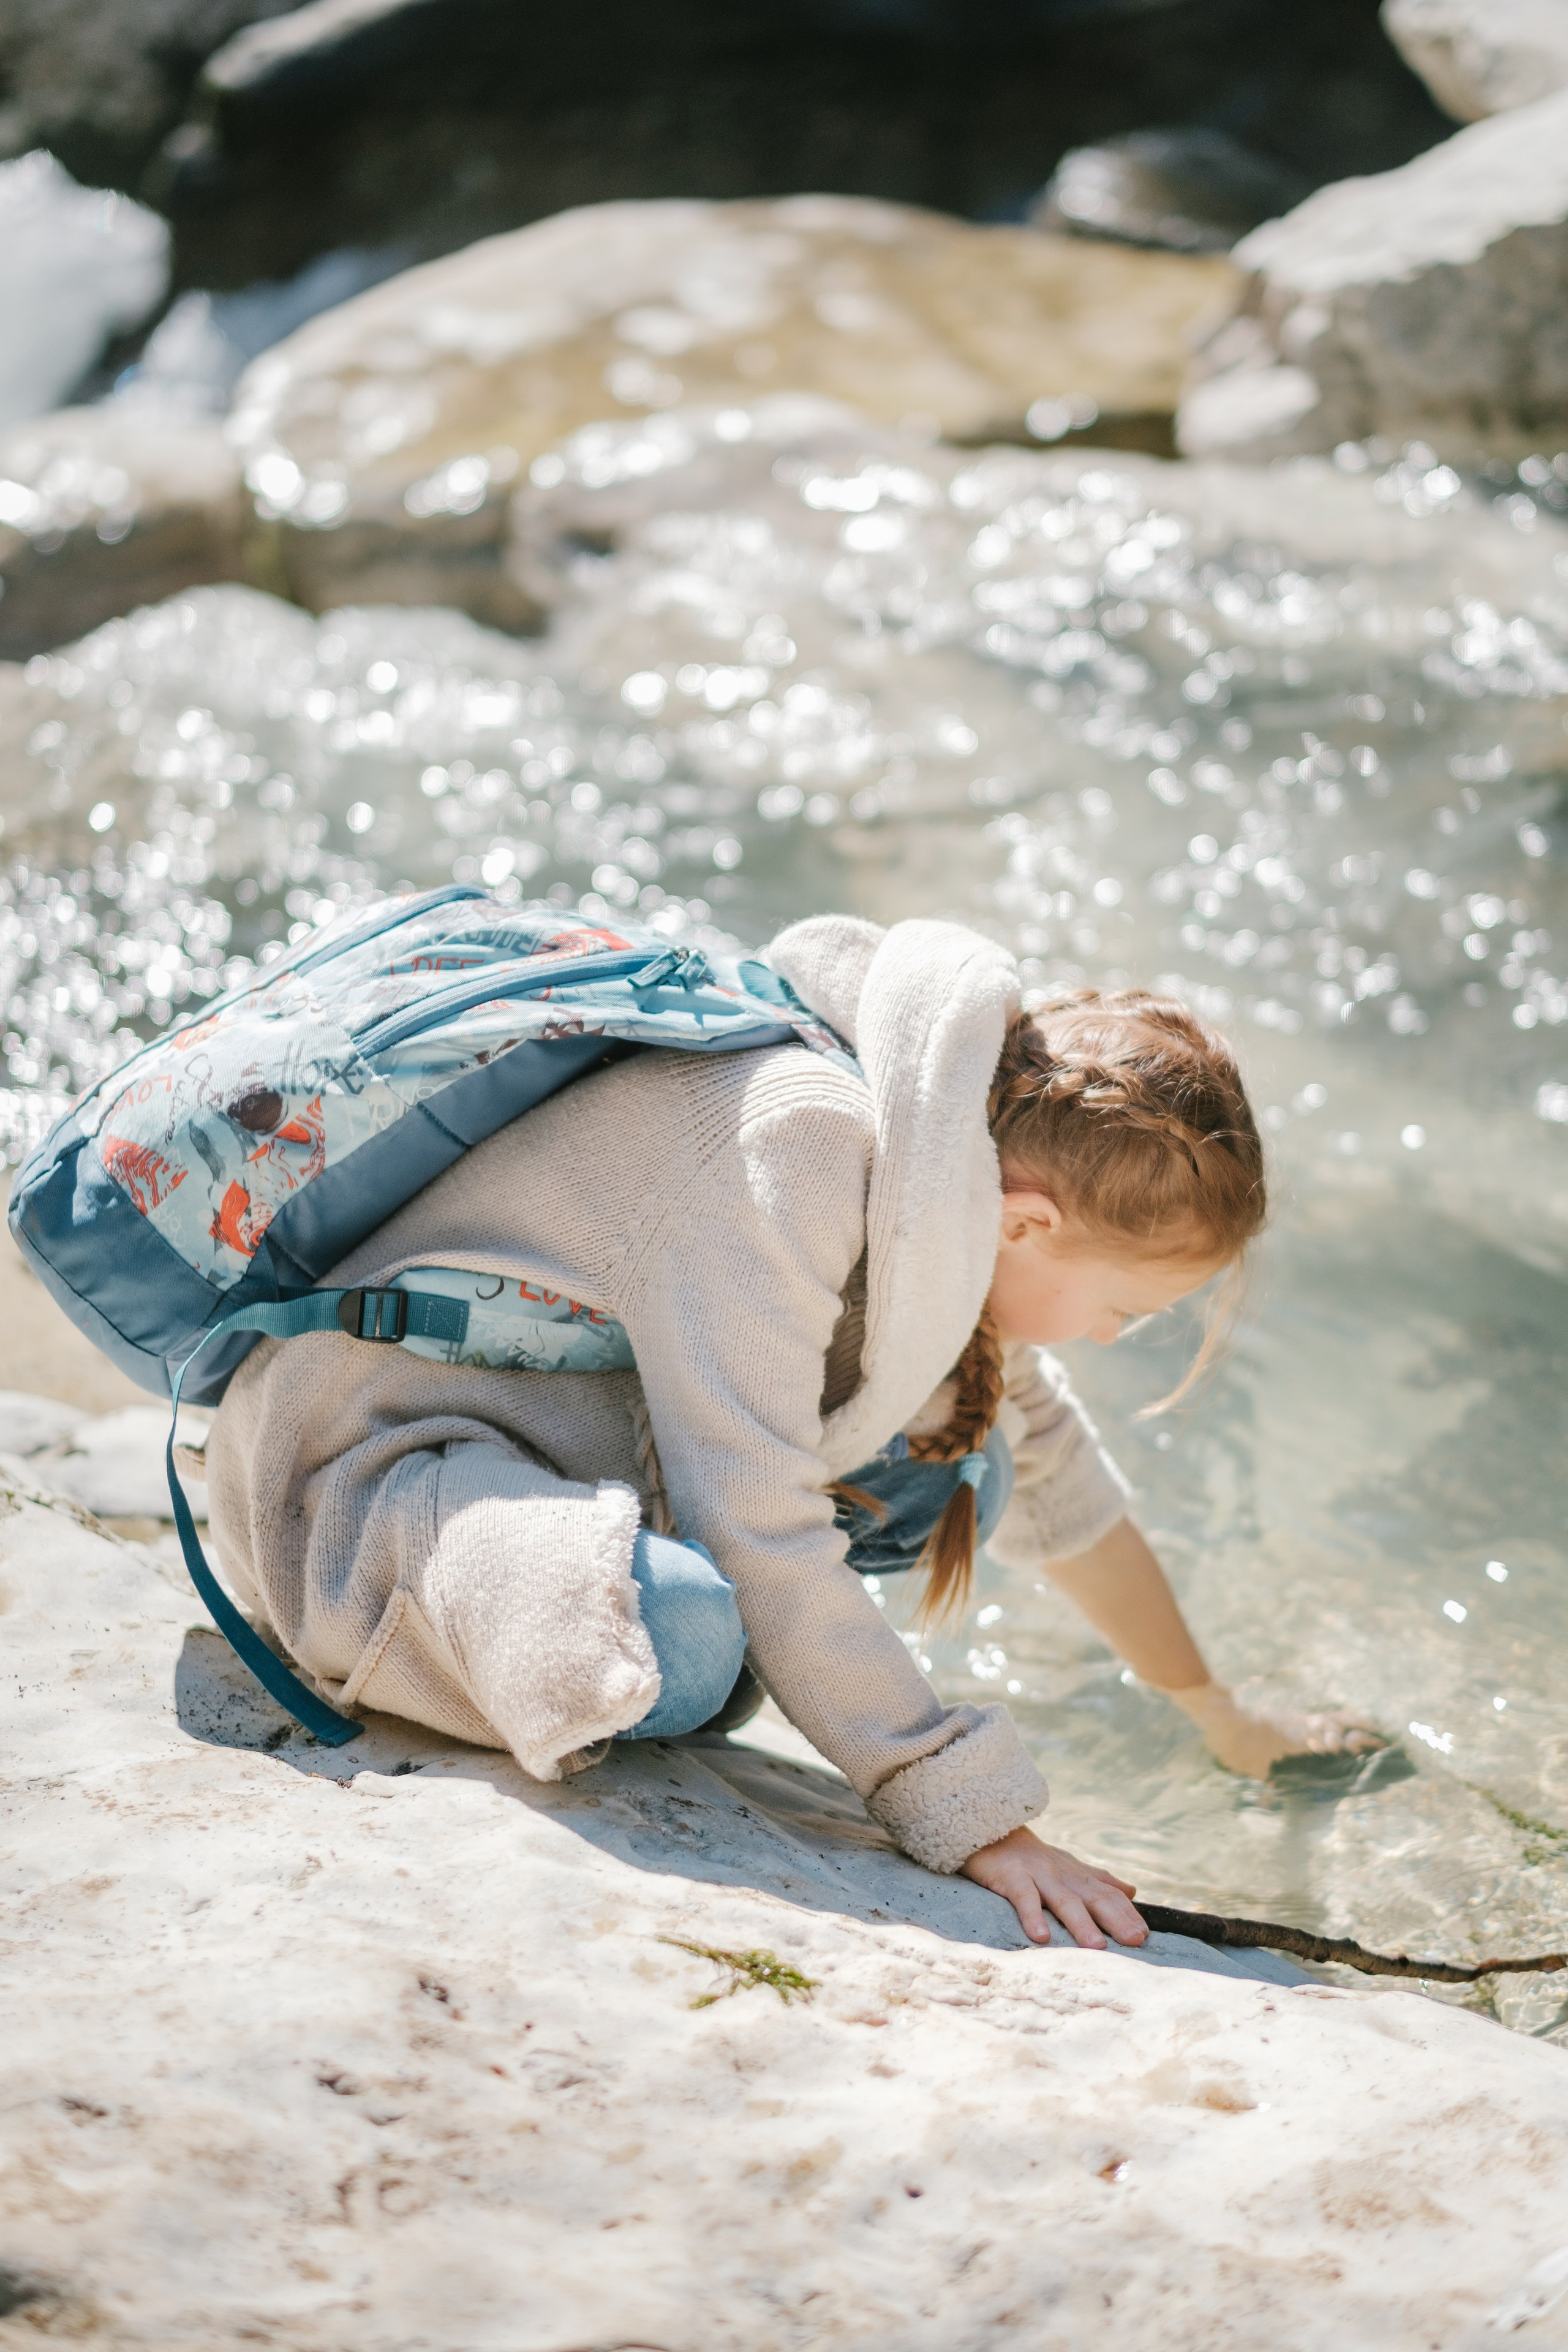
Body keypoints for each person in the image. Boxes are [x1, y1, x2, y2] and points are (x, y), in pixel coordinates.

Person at [206, 912, 1375, 1953]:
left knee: (968, 1473)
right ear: (1026, 1223)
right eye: (1128, 1310)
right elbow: (752, 1514)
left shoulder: (937, 1172)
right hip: (369, 1474)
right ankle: (402, 1627)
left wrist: (1218, 1714)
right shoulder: (803, 1142)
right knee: (682, 1637)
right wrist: (968, 1813)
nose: (1116, 1340)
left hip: (553, 1446)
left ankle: (703, 1641)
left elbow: (1074, 1502)